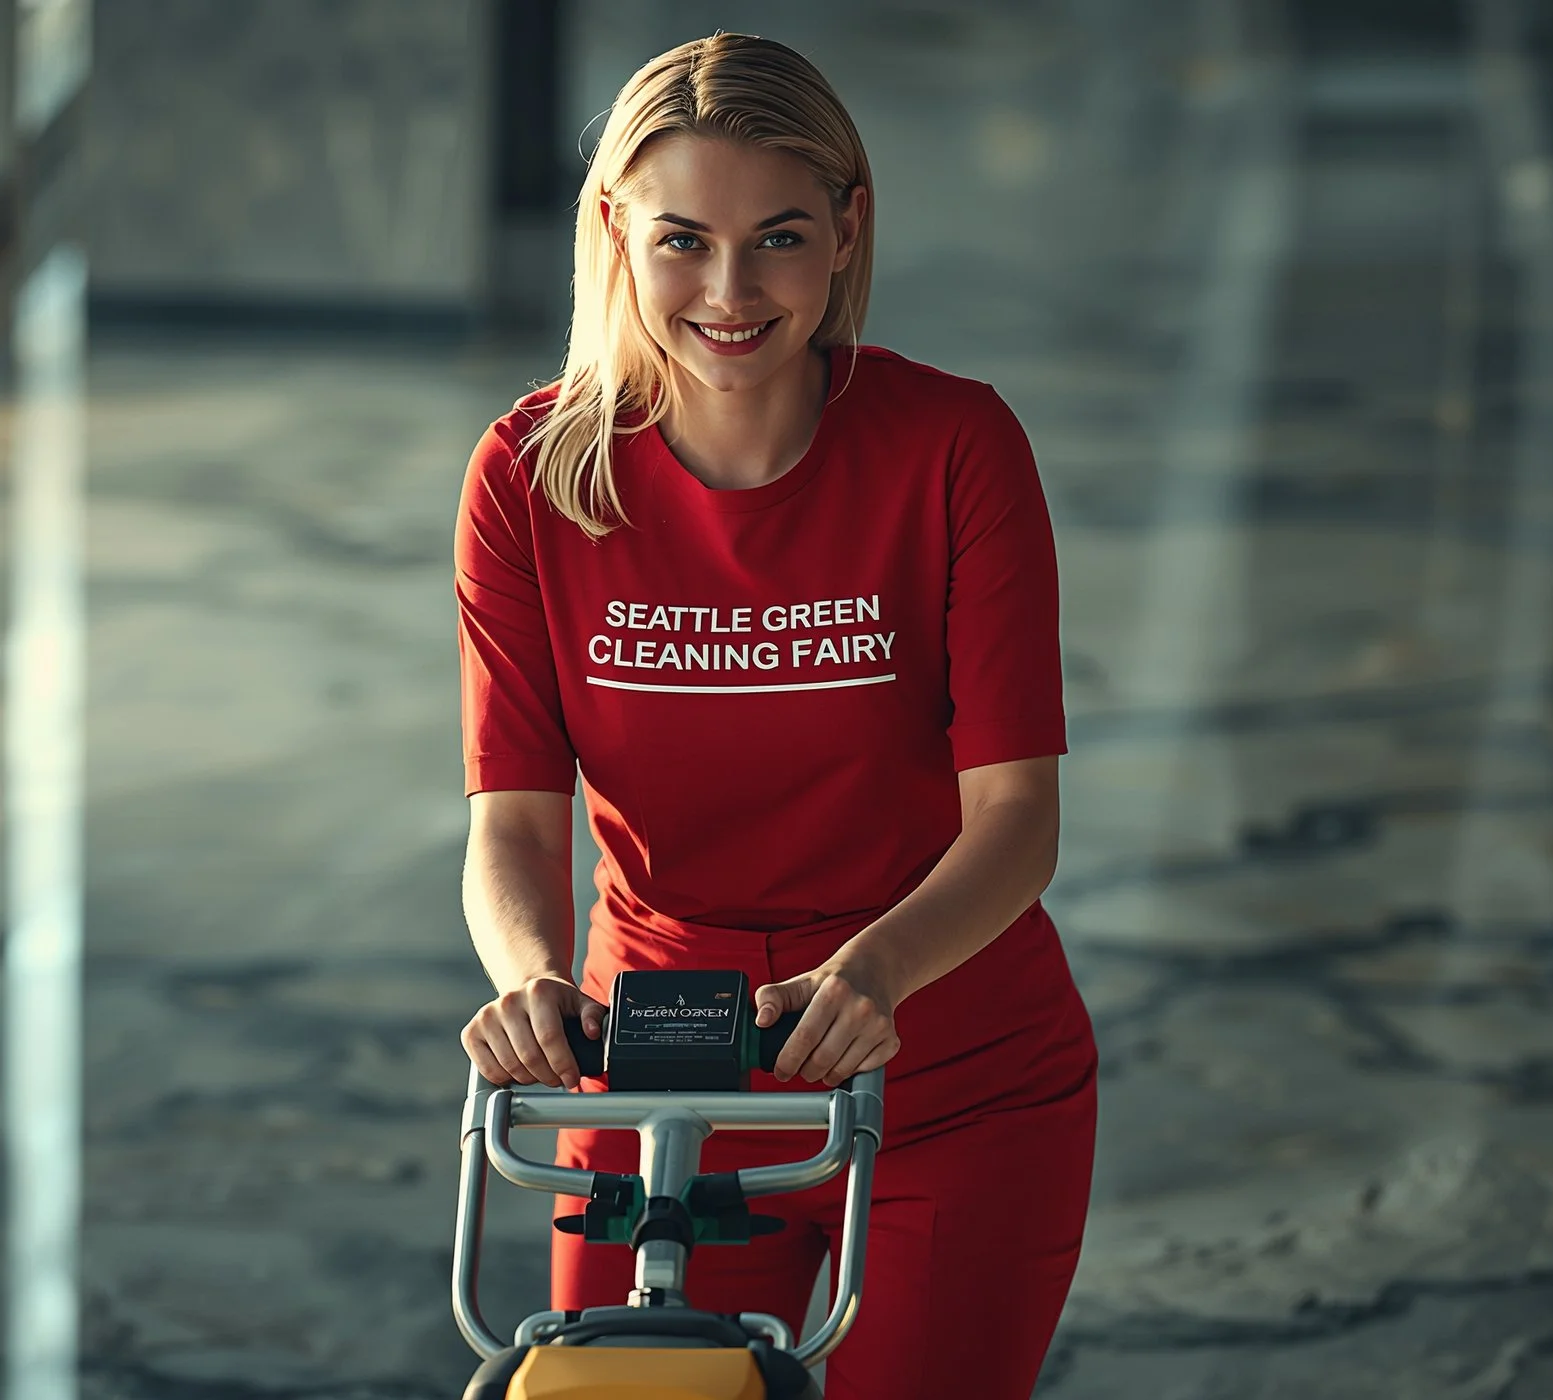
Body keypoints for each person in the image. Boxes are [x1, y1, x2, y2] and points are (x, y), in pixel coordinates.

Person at [453, 31, 1097, 1399]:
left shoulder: (955, 449)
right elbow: (513, 820)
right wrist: (526, 981)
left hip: (952, 1080)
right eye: (684, 239)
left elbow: (1018, 821)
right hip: (658, 1092)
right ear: (617, 229)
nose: (731, 293)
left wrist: (869, 980)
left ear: (849, 228)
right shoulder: (530, 476)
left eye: (781, 238)